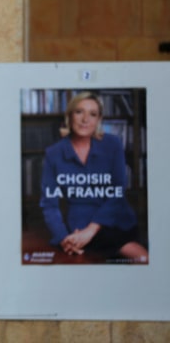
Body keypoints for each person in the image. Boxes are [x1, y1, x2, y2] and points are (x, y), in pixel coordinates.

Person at [40, 91, 148, 262]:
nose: (85, 119)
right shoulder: (53, 153)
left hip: (116, 219)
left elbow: (117, 193)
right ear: (69, 116)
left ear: (99, 120)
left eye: (92, 114)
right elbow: (49, 204)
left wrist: (91, 229)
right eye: (79, 112)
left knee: (142, 259)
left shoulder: (113, 144)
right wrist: (63, 239)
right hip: (79, 227)